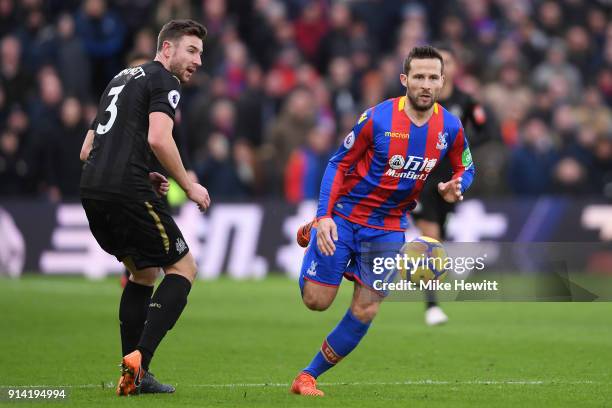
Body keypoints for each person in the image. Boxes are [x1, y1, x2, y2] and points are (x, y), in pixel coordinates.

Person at [290, 45, 475, 397]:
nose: (425, 84)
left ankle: (307, 376)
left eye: (432, 77)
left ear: (442, 81)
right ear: (405, 79)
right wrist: (324, 215)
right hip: (345, 216)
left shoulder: (450, 126)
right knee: (316, 301)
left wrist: (457, 185)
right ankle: (314, 231)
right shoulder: (377, 118)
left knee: (367, 307)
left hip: (389, 226)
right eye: (418, 76)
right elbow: (338, 164)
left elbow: (467, 165)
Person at [79, 19, 210, 396]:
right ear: (165, 49)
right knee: (183, 268)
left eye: (200, 53)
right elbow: (158, 136)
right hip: (126, 190)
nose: (198, 60)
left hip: (93, 189)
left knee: (143, 273)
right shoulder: (163, 81)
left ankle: (129, 376)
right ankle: (141, 361)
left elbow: (88, 149)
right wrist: (188, 185)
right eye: (191, 50)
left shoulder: (120, 79)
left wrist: (143, 171)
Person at [410, 43, 495, 325]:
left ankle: (425, 288)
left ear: (452, 70)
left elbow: (486, 132)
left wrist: (462, 141)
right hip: (421, 177)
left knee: (438, 240)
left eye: (447, 62)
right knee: (431, 237)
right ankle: (431, 307)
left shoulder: (466, 101)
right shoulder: (419, 100)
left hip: (451, 179)